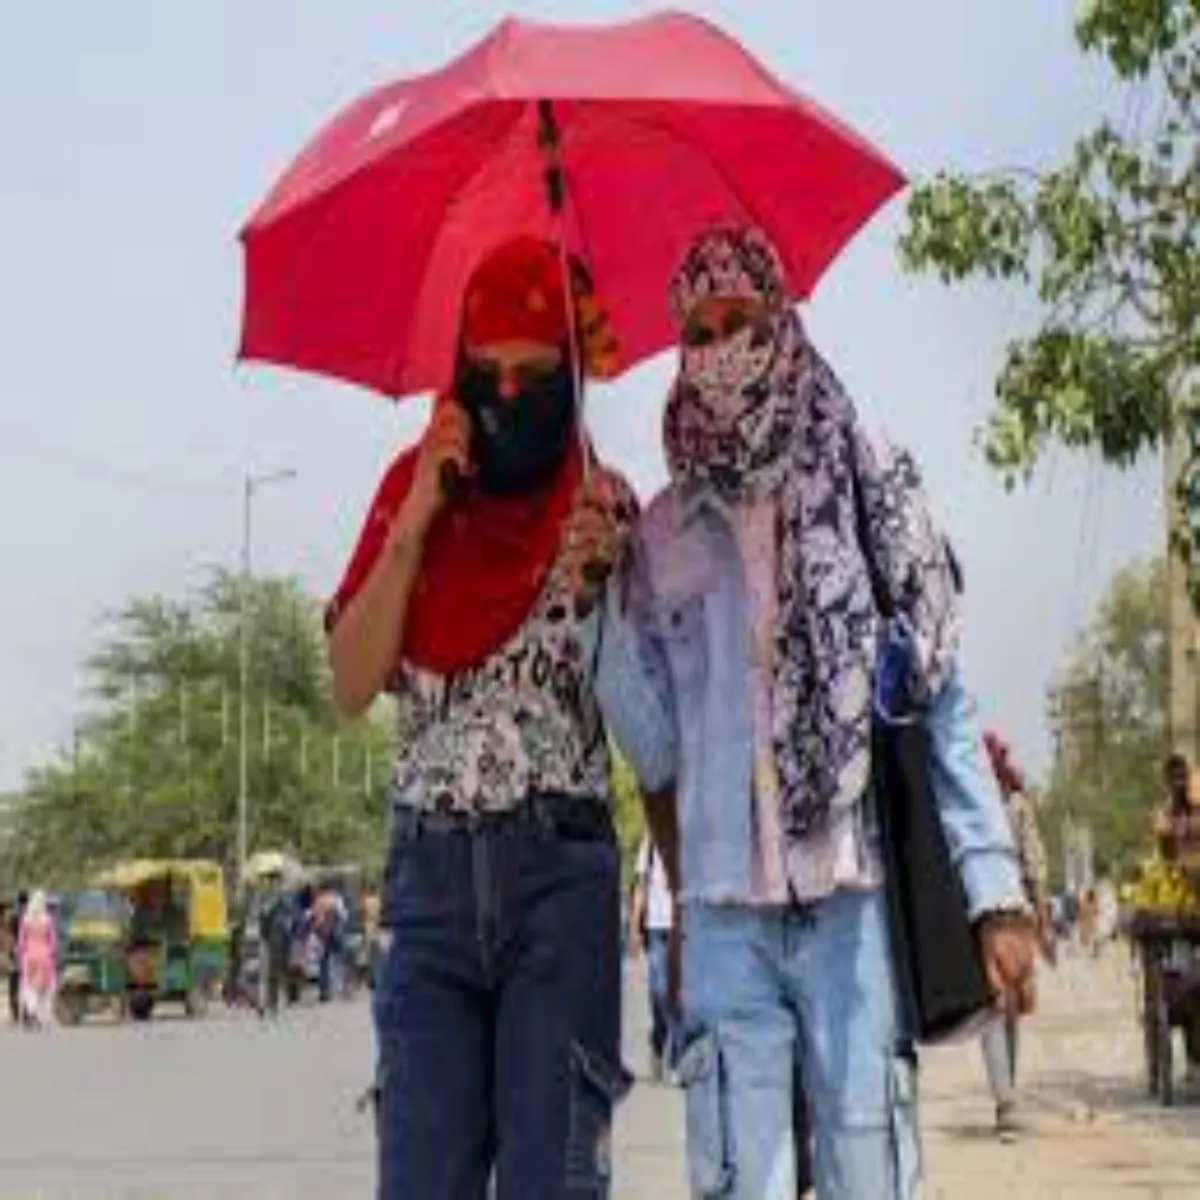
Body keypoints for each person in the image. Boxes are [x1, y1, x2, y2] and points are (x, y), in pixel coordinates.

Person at [597, 226, 1036, 1200]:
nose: (719, 347)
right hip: (721, 913)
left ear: (782, 321)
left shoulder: (867, 476)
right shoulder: (659, 533)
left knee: (865, 1162)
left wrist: (995, 892)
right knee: (740, 1180)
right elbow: (655, 748)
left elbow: (938, 695)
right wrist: (599, 605)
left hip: (850, 895)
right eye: (698, 329)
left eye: (739, 321)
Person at [326, 235, 635, 1200]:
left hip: (561, 880)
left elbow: (646, 723)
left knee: (555, 1178)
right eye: (486, 370)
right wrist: (418, 516)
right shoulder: (406, 492)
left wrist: (606, 591)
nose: (508, 395)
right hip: (429, 889)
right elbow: (349, 680)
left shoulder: (602, 505)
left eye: (535, 372)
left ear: (572, 376)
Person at [981, 731, 1051, 1142]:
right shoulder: (968, 803)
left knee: (1011, 1007)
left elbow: (1035, 858)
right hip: (981, 916)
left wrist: (1041, 915)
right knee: (992, 1004)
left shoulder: (1016, 804)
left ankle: (1007, 1091)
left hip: (1015, 914)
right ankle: (1005, 1100)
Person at [627, 833, 677, 1082]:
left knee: (680, 994)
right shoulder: (650, 842)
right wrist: (634, 927)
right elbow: (641, 887)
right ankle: (658, 1040)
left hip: (683, 927)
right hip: (656, 926)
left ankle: (674, 1056)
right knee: (658, 991)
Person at [17, 890, 58, 1029]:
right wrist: (53, 954)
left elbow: (21, 941)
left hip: (29, 957)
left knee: (29, 987)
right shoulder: (48, 919)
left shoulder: (25, 919)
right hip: (45, 957)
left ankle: (32, 1012)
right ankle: (42, 1017)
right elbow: (53, 942)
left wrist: (21, 954)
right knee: (44, 988)